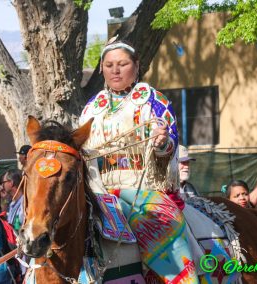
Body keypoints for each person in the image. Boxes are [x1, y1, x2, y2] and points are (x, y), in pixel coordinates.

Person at [79, 39, 198, 283]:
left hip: (143, 188)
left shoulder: (154, 101)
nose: (115, 70)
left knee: (163, 222)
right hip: (99, 190)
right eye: (109, 64)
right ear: (101, 68)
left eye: (122, 64)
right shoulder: (91, 108)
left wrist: (161, 143)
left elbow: (170, 145)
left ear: (136, 66)